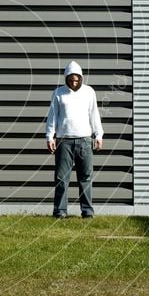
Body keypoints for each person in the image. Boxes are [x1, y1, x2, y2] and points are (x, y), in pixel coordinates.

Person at [45, 61, 103, 219]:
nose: (74, 83)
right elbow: (52, 117)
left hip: (85, 140)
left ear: (81, 78)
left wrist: (98, 135)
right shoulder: (58, 93)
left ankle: (87, 212)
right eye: (71, 80)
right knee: (61, 178)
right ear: (66, 78)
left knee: (85, 177)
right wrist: (50, 136)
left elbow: (94, 114)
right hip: (64, 141)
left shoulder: (89, 92)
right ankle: (60, 211)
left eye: (77, 80)